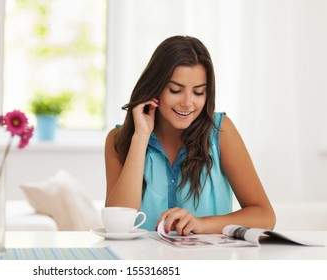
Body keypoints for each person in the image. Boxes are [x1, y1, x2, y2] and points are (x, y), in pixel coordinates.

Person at [104, 35, 276, 235]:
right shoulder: (118, 140)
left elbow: (265, 216)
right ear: (155, 88)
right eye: (175, 90)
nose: (187, 103)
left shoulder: (221, 131)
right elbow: (117, 226)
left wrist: (202, 224)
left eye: (198, 92)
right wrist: (141, 137)